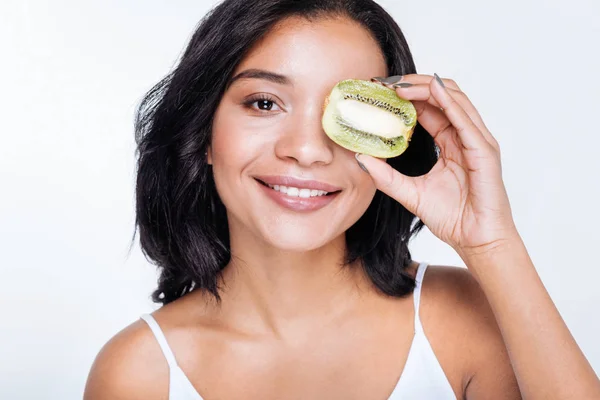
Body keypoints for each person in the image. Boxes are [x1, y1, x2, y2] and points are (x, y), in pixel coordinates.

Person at [83, 0, 600, 399]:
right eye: (264, 103)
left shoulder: (459, 321)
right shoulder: (138, 372)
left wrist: (493, 244)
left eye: (352, 112)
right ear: (204, 133)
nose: (307, 150)